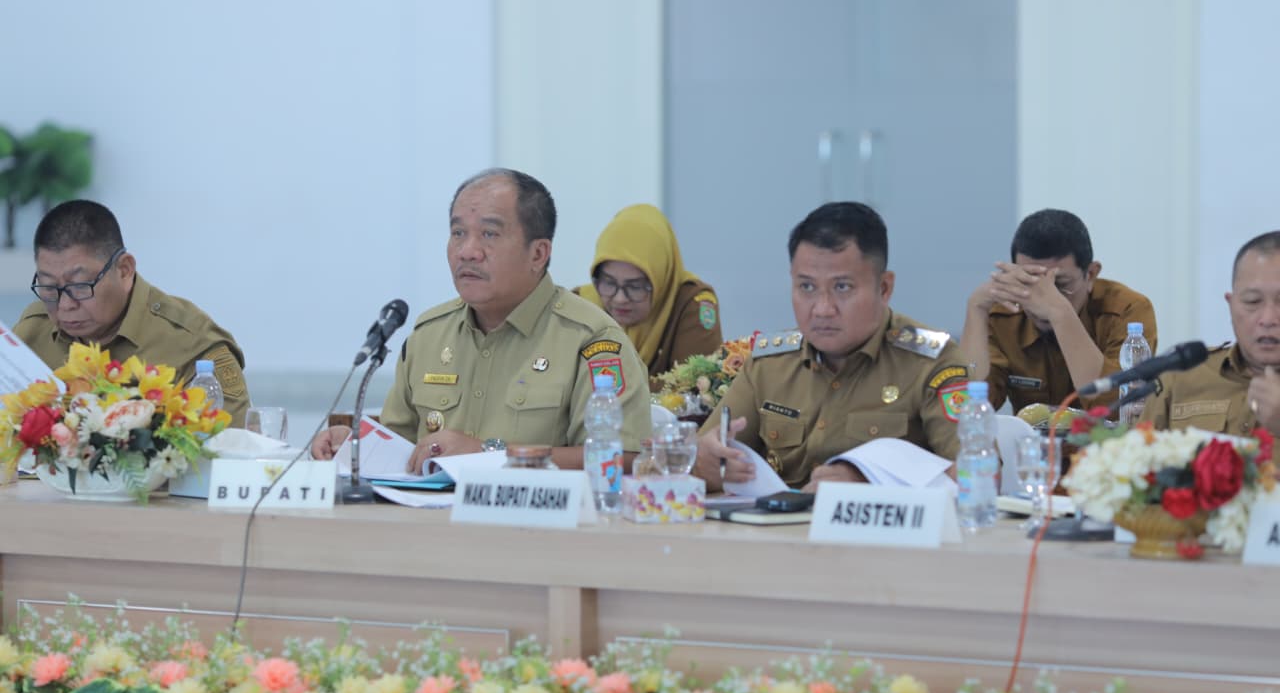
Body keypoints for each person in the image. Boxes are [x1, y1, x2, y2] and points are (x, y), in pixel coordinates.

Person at [312, 169, 650, 472]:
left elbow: (623, 458)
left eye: (489, 234)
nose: (467, 251)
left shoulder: (590, 338)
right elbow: (401, 450)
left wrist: (489, 454)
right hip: (428, 519)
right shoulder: (429, 335)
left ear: (538, 254)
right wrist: (356, 447)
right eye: (458, 232)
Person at [691, 201, 969, 492]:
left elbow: (976, 473)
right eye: (807, 287)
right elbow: (701, 454)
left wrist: (876, 482)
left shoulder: (932, 364)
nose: (822, 309)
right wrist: (703, 464)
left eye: (842, 287)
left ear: (884, 288)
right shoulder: (770, 364)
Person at [14, 199, 250, 425]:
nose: (65, 305)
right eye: (49, 287)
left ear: (124, 270)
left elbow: (232, 447)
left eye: (80, 286)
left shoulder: (192, 345)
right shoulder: (31, 335)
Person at [960, 208, 1157, 413]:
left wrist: (1059, 312)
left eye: (1060, 285)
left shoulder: (1128, 309)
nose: (1041, 300)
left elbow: (1117, 407)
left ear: (1090, 274)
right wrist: (976, 310)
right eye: (1029, 284)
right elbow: (968, 408)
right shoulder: (1003, 313)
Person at [1141, 231, 1280, 438]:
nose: (1268, 319)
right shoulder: (1180, 378)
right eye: (1252, 301)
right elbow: (1132, 454)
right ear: (1231, 305)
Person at [577, 204, 722, 385]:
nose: (620, 298)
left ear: (660, 279)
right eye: (609, 282)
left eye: (635, 286)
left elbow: (695, 386)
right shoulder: (580, 305)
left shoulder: (690, 304)